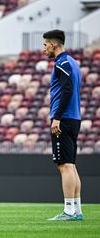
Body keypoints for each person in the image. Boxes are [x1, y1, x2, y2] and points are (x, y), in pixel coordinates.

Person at [43, 30, 84, 221]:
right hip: (74, 117)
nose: (43, 49)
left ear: (53, 44)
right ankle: (77, 210)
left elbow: (67, 90)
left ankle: (68, 211)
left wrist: (57, 117)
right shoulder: (73, 63)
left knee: (64, 166)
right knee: (71, 165)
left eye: (45, 45)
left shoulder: (62, 63)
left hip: (64, 118)